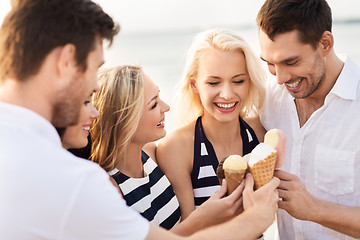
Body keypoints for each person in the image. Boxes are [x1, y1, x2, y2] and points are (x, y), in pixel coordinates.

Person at [0, 0, 279, 239]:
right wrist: (257, 217)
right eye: (95, 68)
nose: (96, 89)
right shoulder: (71, 181)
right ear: (65, 61)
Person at [90, 65, 246, 234]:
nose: (166, 107)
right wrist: (203, 216)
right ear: (125, 122)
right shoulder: (110, 188)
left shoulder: (150, 154)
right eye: (154, 104)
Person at [256, 0, 360, 239]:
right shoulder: (268, 97)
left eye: (291, 62)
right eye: (270, 64)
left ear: (325, 44)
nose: (280, 78)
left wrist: (314, 209)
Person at [156, 28, 268, 220]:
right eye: (214, 83)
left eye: (238, 81)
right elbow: (186, 230)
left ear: (249, 82)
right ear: (194, 85)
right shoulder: (176, 147)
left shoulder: (260, 133)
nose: (227, 94)